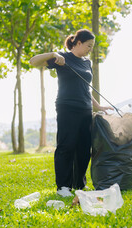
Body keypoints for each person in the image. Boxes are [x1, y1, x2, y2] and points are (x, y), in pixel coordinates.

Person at [29, 29, 113, 197]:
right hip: (67, 107)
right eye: (89, 45)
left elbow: (86, 89)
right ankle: (63, 187)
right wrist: (53, 53)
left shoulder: (86, 63)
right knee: (66, 146)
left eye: (92, 46)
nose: (90, 49)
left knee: (84, 148)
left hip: (85, 109)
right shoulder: (62, 57)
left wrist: (98, 107)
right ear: (78, 42)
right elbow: (33, 62)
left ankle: (78, 185)